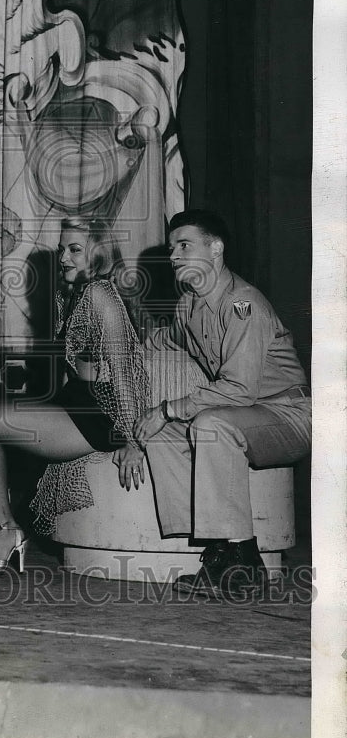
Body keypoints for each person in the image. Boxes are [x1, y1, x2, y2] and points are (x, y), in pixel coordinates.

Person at [0, 216, 150, 577]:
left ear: (98, 253)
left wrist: (133, 439)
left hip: (101, 415)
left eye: (75, 250)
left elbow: (127, 370)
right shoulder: (71, 293)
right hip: (75, 401)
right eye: (62, 249)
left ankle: (5, 530)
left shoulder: (100, 294)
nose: (64, 257)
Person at [131, 209, 312, 598]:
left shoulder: (242, 304)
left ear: (215, 249)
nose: (175, 256)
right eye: (171, 248)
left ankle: (245, 563)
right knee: (163, 436)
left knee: (210, 425)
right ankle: (218, 551)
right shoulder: (188, 306)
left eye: (185, 245)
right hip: (248, 415)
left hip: (289, 416)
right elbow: (168, 339)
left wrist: (166, 408)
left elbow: (239, 390)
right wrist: (124, 350)